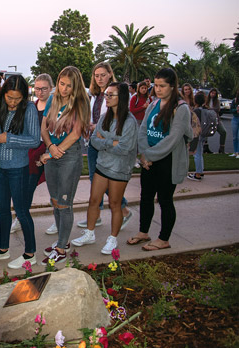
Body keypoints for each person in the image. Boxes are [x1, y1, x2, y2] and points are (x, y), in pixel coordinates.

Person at [128, 68, 192, 251]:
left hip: (168, 161)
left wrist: (149, 155)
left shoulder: (181, 108)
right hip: (149, 160)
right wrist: (144, 153)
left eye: (162, 86)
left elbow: (173, 139)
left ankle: (164, 239)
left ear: (172, 86)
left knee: (165, 199)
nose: (158, 89)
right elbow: (143, 130)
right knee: (146, 197)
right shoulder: (153, 104)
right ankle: (143, 232)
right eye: (156, 85)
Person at [0, 75, 40, 269]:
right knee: (3, 210)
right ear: (4, 93)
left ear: (24, 96)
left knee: (22, 211)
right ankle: (3, 250)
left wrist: (9, 139)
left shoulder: (29, 109)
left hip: (18, 169)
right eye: (10, 98)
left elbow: (34, 140)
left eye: (17, 98)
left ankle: (30, 253)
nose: (13, 102)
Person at [71, 82, 138, 254]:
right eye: (106, 94)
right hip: (102, 165)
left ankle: (112, 239)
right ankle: (90, 233)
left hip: (119, 169)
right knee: (94, 200)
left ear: (121, 97)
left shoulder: (129, 122)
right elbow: (94, 140)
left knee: (115, 204)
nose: (106, 98)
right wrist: (112, 141)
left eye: (111, 95)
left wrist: (105, 140)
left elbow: (125, 148)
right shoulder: (104, 117)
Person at [37, 66, 90, 264]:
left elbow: (76, 134)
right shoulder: (52, 98)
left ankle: (60, 248)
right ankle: (63, 240)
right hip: (52, 153)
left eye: (69, 85)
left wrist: (55, 151)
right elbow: (44, 128)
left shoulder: (81, 102)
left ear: (76, 86)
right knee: (54, 200)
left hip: (69, 156)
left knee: (64, 203)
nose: (64, 89)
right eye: (61, 84)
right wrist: (50, 147)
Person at [79, 62, 132, 229]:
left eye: (103, 75)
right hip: (94, 140)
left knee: (106, 179)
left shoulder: (115, 93)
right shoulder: (94, 94)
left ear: (110, 74)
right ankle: (97, 215)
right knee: (94, 178)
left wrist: (96, 128)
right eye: (96, 75)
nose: (99, 78)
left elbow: (116, 118)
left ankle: (123, 210)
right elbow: (92, 114)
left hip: (106, 142)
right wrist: (88, 125)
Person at [10, 74, 57, 235]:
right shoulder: (31, 106)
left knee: (55, 190)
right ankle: (21, 218)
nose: (40, 91)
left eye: (44, 88)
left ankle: (59, 221)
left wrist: (46, 152)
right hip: (31, 152)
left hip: (50, 152)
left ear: (51, 89)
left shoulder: (56, 108)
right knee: (25, 187)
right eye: (37, 88)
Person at [188, 91, 215, 182]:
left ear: (195, 101)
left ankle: (198, 174)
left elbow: (193, 123)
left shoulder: (196, 111)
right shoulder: (205, 110)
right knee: (200, 153)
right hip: (204, 134)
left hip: (197, 134)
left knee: (197, 154)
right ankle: (200, 171)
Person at [204, 88, 226, 154]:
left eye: (214, 93)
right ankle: (205, 147)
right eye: (212, 93)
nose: (212, 94)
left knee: (223, 132)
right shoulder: (206, 100)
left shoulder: (217, 101)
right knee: (205, 133)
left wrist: (209, 108)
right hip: (207, 119)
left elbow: (217, 109)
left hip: (216, 119)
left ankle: (221, 148)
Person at [230, 89, 239, 158]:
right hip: (235, 118)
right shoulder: (235, 100)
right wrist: (236, 110)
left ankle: (238, 152)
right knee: (234, 137)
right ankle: (235, 151)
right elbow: (231, 110)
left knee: (238, 137)